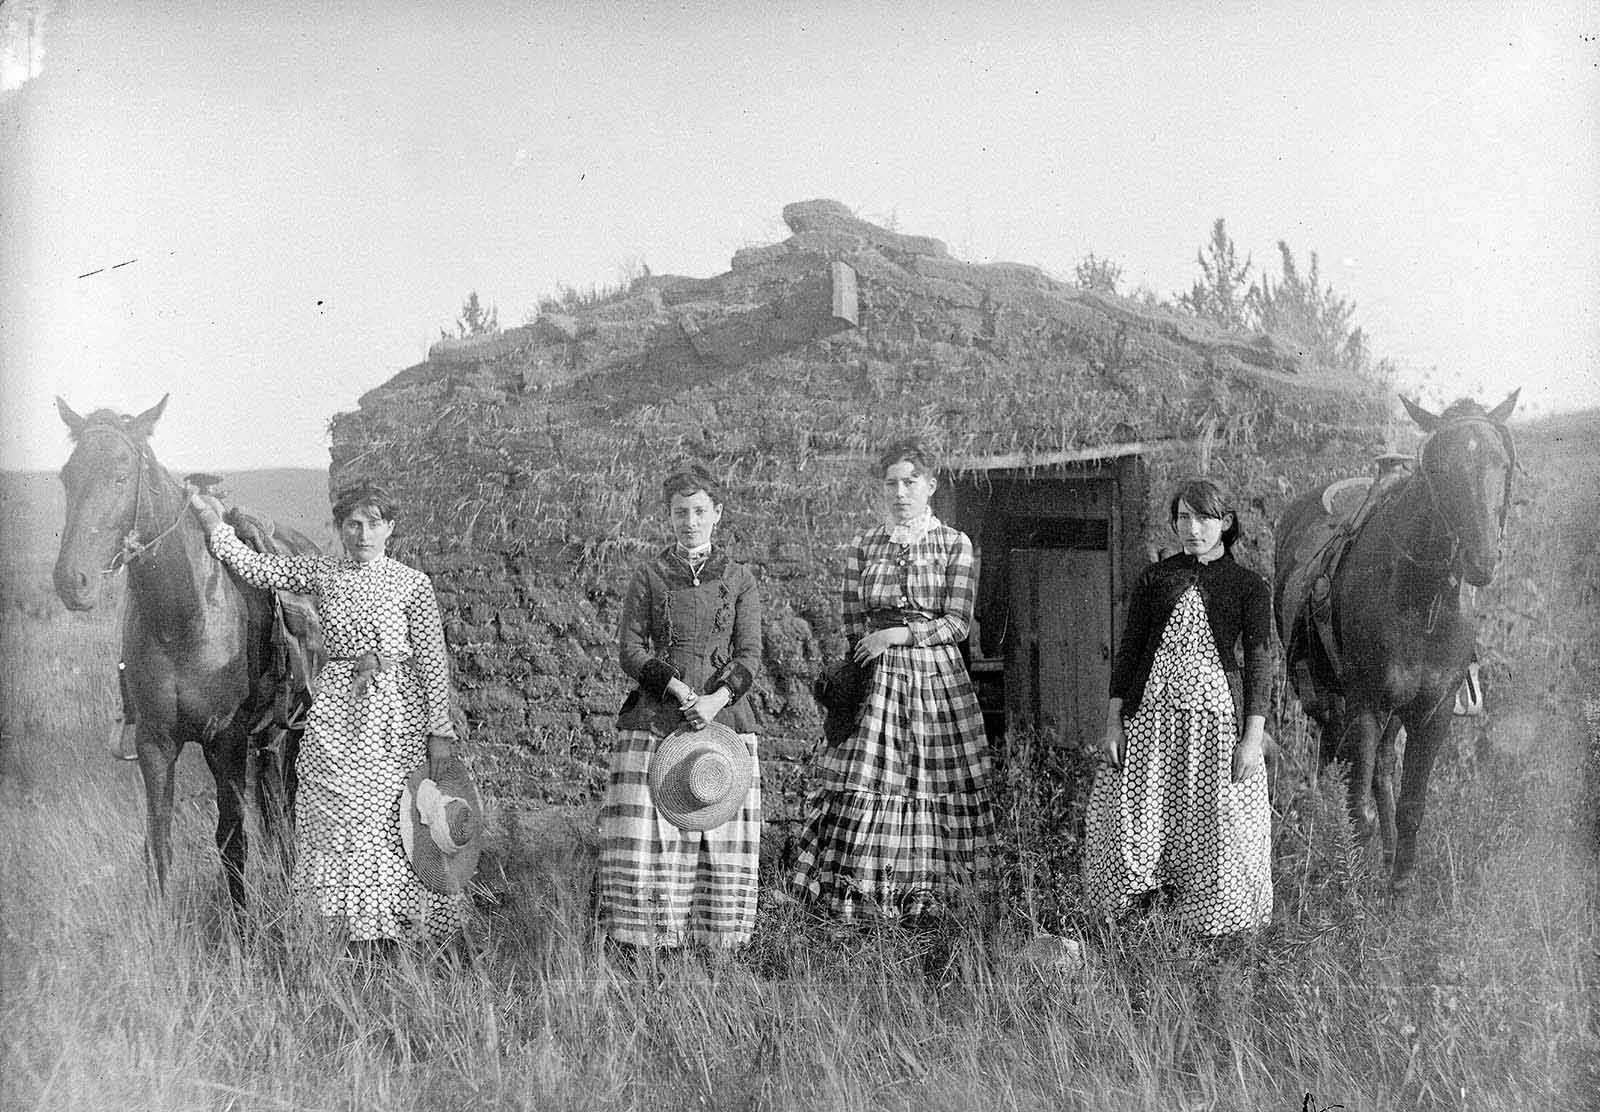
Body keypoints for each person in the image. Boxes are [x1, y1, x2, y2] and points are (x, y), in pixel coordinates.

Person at [187, 480, 467, 945]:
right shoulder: (324, 573)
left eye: (373, 524)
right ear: (339, 528)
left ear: (390, 529)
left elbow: (433, 664)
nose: (362, 534)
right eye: (352, 524)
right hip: (337, 713)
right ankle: (349, 930)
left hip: (395, 717)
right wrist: (212, 523)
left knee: (390, 821)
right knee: (337, 814)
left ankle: (397, 929)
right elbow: (255, 567)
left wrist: (440, 731)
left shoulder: (413, 585)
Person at [789, 438, 992, 924]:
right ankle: (861, 900)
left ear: (931, 485)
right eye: (891, 484)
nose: (900, 493)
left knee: (928, 780)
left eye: (910, 482)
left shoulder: (953, 544)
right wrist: (871, 648)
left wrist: (901, 634)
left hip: (934, 681)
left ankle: (930, 904)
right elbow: (850, 615)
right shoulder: (865, 545)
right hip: (875, 682)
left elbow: (958, 623)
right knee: (868, 780)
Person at [1084, 476, 1273, 936]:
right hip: (1152, 728)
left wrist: (1251, 738)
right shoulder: (1156, 578)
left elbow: (1261, 663)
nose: (1193, 528)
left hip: (1215, 731)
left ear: (1225, 522)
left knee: (1218, 833)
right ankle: (1131, 925)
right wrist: (1114, 722)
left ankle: (1211, 933)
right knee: (1136, 829)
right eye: (1183, 517)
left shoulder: (1248, 585)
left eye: (1204, 517)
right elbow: (1129, 652)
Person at [598, 464, 764, 950]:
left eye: (698, 511)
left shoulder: (739, 579)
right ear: (668, 517)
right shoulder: (649, 575)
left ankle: (715, 944)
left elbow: (750, 654)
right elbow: (630, 649)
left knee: (715, 821)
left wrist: (714, 700)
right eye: (679, 512)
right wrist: (676, 688)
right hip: (658, 715)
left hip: (721, 718)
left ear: (717, 513)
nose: (689, 521)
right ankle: (645, 940)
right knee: (647, 831)